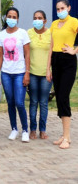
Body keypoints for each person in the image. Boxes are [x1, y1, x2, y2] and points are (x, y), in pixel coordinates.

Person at [0, 7, 31, 142]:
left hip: (20, 73)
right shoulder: (2, 35)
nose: (11, 19)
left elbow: (27, 54)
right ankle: (14, 129)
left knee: (19, 103)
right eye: (9, 16)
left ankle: (25, 130)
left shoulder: (23, 33)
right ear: (6, 18)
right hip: (6, 73)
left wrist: (27, 73)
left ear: (18, 19)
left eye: (14, 17)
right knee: (10, 102)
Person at [47, 0, 78, 149]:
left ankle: (66, 137)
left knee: (64, 97)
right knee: (59, 97)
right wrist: (48, 68)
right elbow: (51, 46)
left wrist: (75, 50)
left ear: (69, 8)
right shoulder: (54, 24)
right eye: (58, 9)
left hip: (68, 61)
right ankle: (65, 135)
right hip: (56, 60)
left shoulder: (74, 22)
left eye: (62, 8)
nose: (60, 11)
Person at [27, 10, 52, 140]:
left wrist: (49, 70)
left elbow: (51, 53)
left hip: (45, 74)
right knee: (33, 102)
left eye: (40, 18)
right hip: (32, 73)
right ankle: (32, 130)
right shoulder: (29, 33)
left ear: (45, 20)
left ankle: (42, 129)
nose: (37, 20)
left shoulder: (50, 33)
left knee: (43, 103)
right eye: (35, 18)